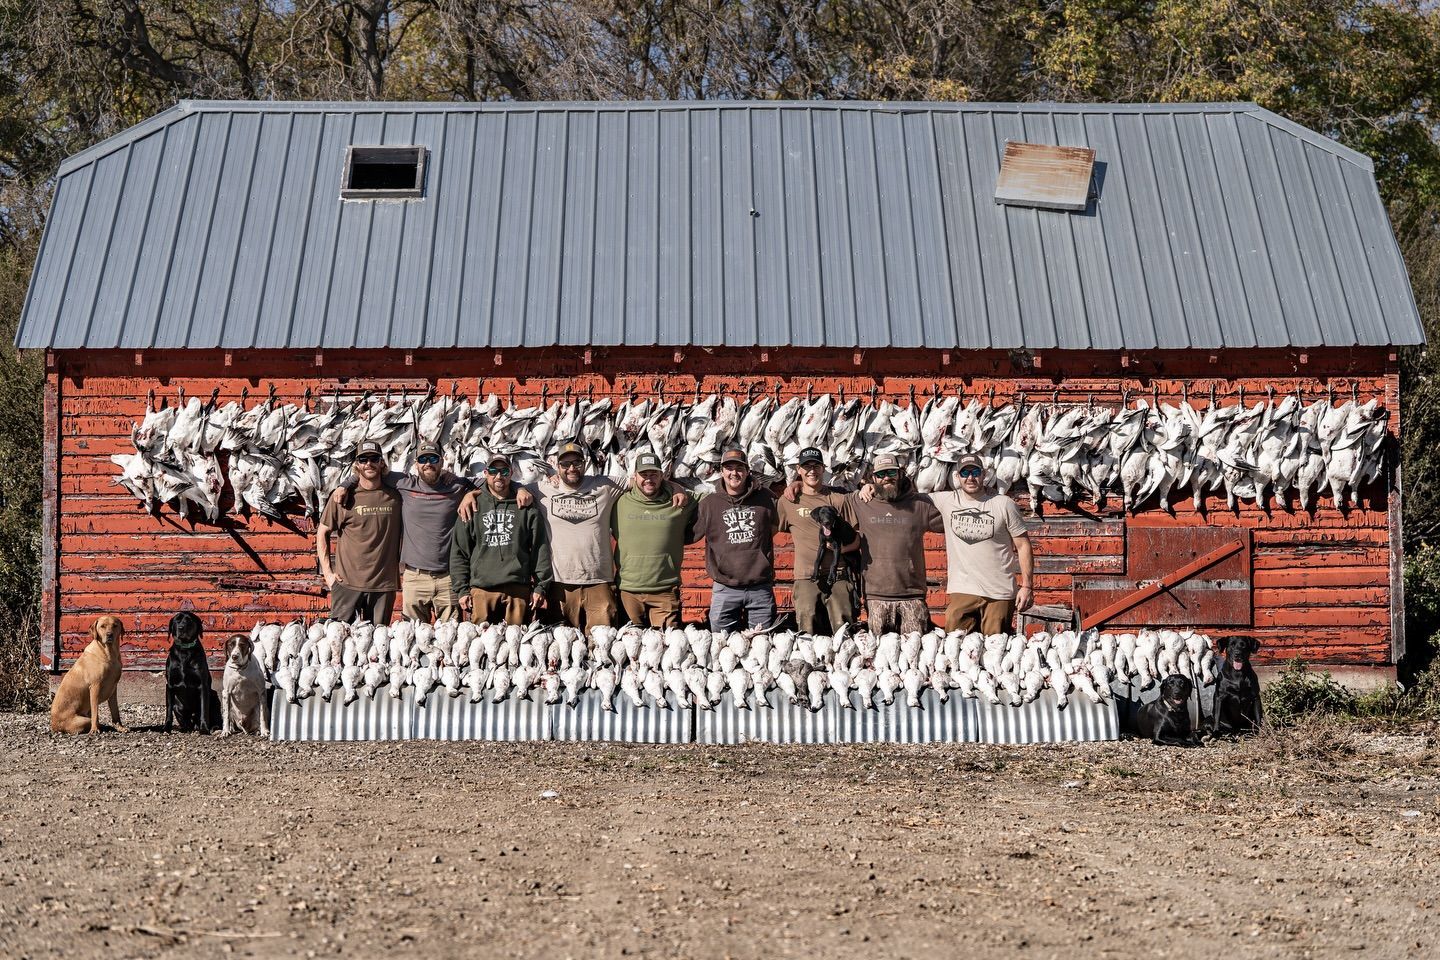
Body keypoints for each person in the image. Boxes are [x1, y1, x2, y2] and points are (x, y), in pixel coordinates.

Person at [329, 440, 472, 622]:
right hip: (414, 577)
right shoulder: (404, 483)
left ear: (442, 462)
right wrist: (345, 484)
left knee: (451, 634)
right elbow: (368, 472)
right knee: (412, 635)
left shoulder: (457, 486)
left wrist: (471, 494)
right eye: (423, 459)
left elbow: (490, 485)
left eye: (433, 458)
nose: (428, 463)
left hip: (447, 578)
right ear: (416, 464)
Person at [926, 453, 1034, 634]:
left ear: (984, 475)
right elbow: (908, 497)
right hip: (963, 589)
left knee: (996, 648)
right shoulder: (945, 500)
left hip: (999, 592)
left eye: (975, 472)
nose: (970, 477)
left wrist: (1027, 586)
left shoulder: (1004, 504)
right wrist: (869, 488)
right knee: (956, 646)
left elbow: (1023, 545)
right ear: (957, 477)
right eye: (964, 473)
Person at [450, 453, 552, 625]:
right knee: (482, 646)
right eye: (493, 471)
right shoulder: (472, 505)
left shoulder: (526, 506)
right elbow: (459, 551)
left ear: (511, 473)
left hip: (517, 590)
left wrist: (541, 586)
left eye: (504, 471)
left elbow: (539, 548)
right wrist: (462, 590)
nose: (499, 476)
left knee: (517, 645)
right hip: (481, 591)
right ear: (485, 473)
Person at [849, 453, 943, 634]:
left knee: (913, 656)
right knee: (878, 656)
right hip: (875, 597)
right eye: (881, 474)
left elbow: (953, 518)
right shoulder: (860, 502)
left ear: (900, 474)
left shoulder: (920, 504)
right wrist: (797, 485)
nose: (886, 478)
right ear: (873, 478)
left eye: (891, 473)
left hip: (912, 597)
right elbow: (825, 496)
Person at [691, 447, 780, 632]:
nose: (734, 473)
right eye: (729, 468)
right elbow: (690, 535)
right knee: (722, 646)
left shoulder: (766, 498)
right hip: (724, 588)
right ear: (721, 471)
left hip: (760, 588)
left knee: (760, 645)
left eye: (739, 468)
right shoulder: (709, 504)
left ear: (747, 471)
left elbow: (774, 527)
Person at [315, 440, 402, 624]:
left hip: (383, 586)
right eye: (363, 459)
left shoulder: (397, 496)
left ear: (381, 462)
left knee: (378, 645)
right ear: (357, 465)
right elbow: (322, 532)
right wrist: (328, 574)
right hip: (347, 584)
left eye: (374, 458)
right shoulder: (343, 497)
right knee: (340, 640)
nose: (368, 464)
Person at [778, 447, 860, 633]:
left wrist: (840, 549)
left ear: (824, 469)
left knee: (844, 632)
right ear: (799, 470)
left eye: (816, 466)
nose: (812, 471)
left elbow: (858, 539)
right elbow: (768, 531)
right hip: (806, 577)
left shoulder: (839, 500)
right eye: (806, 466)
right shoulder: (788, 502)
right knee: (807, 631)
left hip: (839, 575)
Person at [612, 452, 698, 628]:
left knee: (666, 647)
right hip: (628, 590)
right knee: (629, 647)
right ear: (634, 476)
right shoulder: (618, 501)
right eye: (644, 475)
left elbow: (717, 498)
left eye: (654, 474)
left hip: (665, 590)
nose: (648, 479)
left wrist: (757, 485)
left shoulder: (681, 501)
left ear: (662, 476)